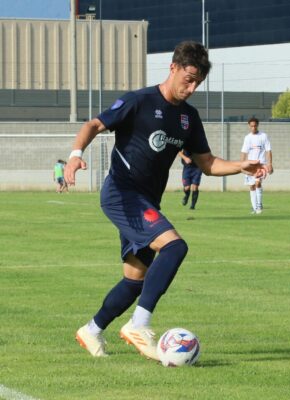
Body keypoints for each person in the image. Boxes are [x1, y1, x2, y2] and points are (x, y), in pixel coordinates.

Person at [66, 41, 267, 360]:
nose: (192, 87)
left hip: (147, 202)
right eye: (188, 78)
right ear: (173, 68)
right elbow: (94, 125)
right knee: (175, 246)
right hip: (122, 194)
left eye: (198, 82)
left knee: (134, 282)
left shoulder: (188, 117)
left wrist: (240, 166)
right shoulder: (139, 101)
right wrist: (76, 156)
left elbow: (207, 163)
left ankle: (91, 330)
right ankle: (138, 325)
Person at [241, 117, 273, 214]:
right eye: (251, 126)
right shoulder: (247, 138)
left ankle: (259, 205)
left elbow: (268, 150)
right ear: (249, 126)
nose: (253, 128)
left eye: (255, 126)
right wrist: (241, 165)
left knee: (258, 183)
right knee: (251, 186)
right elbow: (243, 152)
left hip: (260, 165)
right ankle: (254, 207)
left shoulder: (263, 136)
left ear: (258, 125)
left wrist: (270, 164)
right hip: (250, 165)